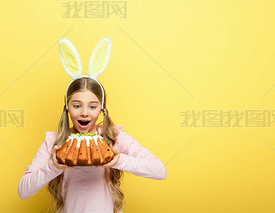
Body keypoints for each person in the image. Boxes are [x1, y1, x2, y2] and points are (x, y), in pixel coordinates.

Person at [17, 38, 167, 213]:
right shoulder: (54, 142)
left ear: (102, 109)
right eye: (77, 105)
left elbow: (160, 171)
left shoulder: (113, 137)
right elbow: (23, 191)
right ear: (67, 108)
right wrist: (53, 166)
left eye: (92, 106)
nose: (85, 113)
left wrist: (119, 160)